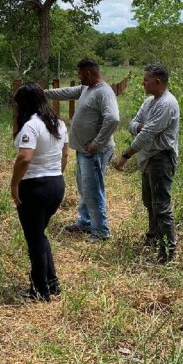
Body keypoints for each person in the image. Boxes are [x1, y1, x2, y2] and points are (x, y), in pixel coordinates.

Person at [44, 58, 120, 242]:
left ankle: (101, 231)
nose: (78, 78)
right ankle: (85, 222)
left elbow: (113, 118)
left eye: (79, 74)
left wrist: (96, 143)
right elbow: (67, 92)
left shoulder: (104, 92)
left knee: (93, 190)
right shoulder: (87, 88)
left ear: (88, 73)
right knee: (85, 187)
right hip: (84, 151)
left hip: (95, 152)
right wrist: (43, 93)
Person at [112, 63, 180, 263]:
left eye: (146, 79)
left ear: (157, 82)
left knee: (161, 206)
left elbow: (146, 136)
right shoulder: (149, 102)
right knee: (149, 202)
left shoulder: (167, 104)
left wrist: (125, 155)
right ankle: (153, 237)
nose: (143, 83)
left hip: (161, 158)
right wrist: (142, 127)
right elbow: (134, 124)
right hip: (148, 159)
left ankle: (167, 252)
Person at [11, 83, 68, 301]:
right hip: (55, 184)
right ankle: (51, 283)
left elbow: (24, 157)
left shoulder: (31, 126)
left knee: (34, 239)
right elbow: (65, 155)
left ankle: (39, 290)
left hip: (34, 187)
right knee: (39, 234)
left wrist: (14, 184)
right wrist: (55, 175)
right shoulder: (58, 123)